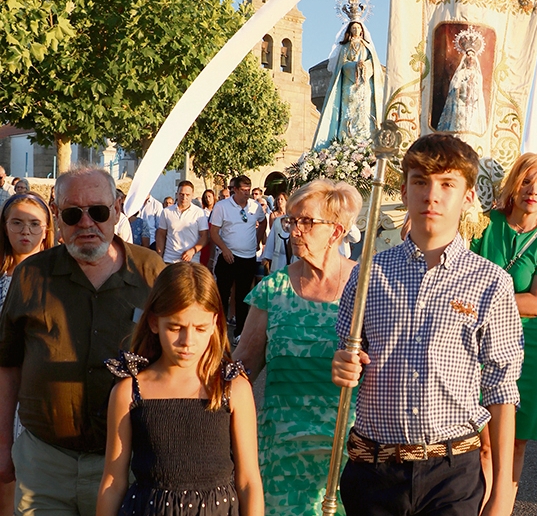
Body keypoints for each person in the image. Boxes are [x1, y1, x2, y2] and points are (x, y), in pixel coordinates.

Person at [331, 133, 523, 516]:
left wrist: (501, 494)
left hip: (452, 472)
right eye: (420, 181)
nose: (431, 195)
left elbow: (501, 389)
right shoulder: (369, 273)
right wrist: (341, 364)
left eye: (447, 184)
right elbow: (346, 353)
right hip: (375, 469)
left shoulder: (491, 282)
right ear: (404, 191)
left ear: (469, 196)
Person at [0, 166, 165, 516]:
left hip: (129, 462)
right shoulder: (31, 275)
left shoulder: (150, 272)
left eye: (99, 211)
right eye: (73, 213)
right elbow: (8, 365)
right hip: (44, 465)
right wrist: (2, 445)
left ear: (117, 209)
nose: (86, 223)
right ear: (57, 215)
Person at [234, 179, 363, 515]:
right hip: (280, 455)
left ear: (336, 232)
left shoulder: (365, 288)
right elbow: (240, 371)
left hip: (345, 452)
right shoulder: (273, 289)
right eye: (291, 221)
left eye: (306, 221)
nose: (294, 230)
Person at [96, 263, 263, 516]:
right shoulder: (129, 390)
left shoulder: (233, 387)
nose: (188, 341)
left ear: (216, 323)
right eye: (175, 328)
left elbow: (248, 481)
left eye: (200, 328)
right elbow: (113, 480)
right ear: (154, 322)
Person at [470, 153, 537, 511]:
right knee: (484, 444)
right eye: (527, 181)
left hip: (530, 345)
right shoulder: (483, 225)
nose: (533, 190)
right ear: (514, 185)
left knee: (517, 442)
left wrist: (483, 299)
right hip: (479, 344)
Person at [0, 193, 55, 516]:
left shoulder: (56, 280)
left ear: (46, 229)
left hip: (34, 392)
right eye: (17, 223)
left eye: (35, 224)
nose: (26, 232)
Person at [210, 175, 267, 343]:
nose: (247, 194)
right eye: (243, 190)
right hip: (228, 256)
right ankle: (216, 330)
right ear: (234, 189)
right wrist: (225, 249)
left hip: (248, 258)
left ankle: (239, 333)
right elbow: (214, 231)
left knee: (243, 296)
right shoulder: (222, 206)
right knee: (222, 294)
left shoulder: (255, 207)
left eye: (249, 190)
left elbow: (263, 222)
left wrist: (257, 240)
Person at [312, 18, 384, 149]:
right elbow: (342, 66)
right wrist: (354, 66)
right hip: (349, 85)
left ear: (362, 31)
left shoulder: (367, 47)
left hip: (364, 85)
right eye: (353, 28)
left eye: (358, 28)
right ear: (350, 30)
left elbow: (374, 65)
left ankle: (367, 139)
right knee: (349, 111)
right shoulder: (345, 47)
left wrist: (364, 66)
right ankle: (346, 140)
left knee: (365, 111)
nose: (356, 30)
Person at [436, 26, 488, 136]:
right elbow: (454, 88)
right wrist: (464, 84)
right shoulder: (460, 73)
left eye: (472, 55)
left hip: (472, 106)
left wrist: (472, 84)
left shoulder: (477, 75)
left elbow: (478, 92)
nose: (471, 58)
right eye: (468, 55)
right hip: (460, 105)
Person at [156, 180, 209, 264]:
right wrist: (159, 256)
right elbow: (161, 234)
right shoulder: (166, 212)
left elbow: (205, 236)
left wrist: (192, 251)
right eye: (181, 194)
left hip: (191, 260)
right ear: (177, 194)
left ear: (192, 195)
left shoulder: (199, 212)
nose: (184, 197)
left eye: (187, 195)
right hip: (170, 259)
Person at [200, 189, 217, 268]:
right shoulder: (202, 212)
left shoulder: (218, 211)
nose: (208, 199)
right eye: (206, 197)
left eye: (209, 196)